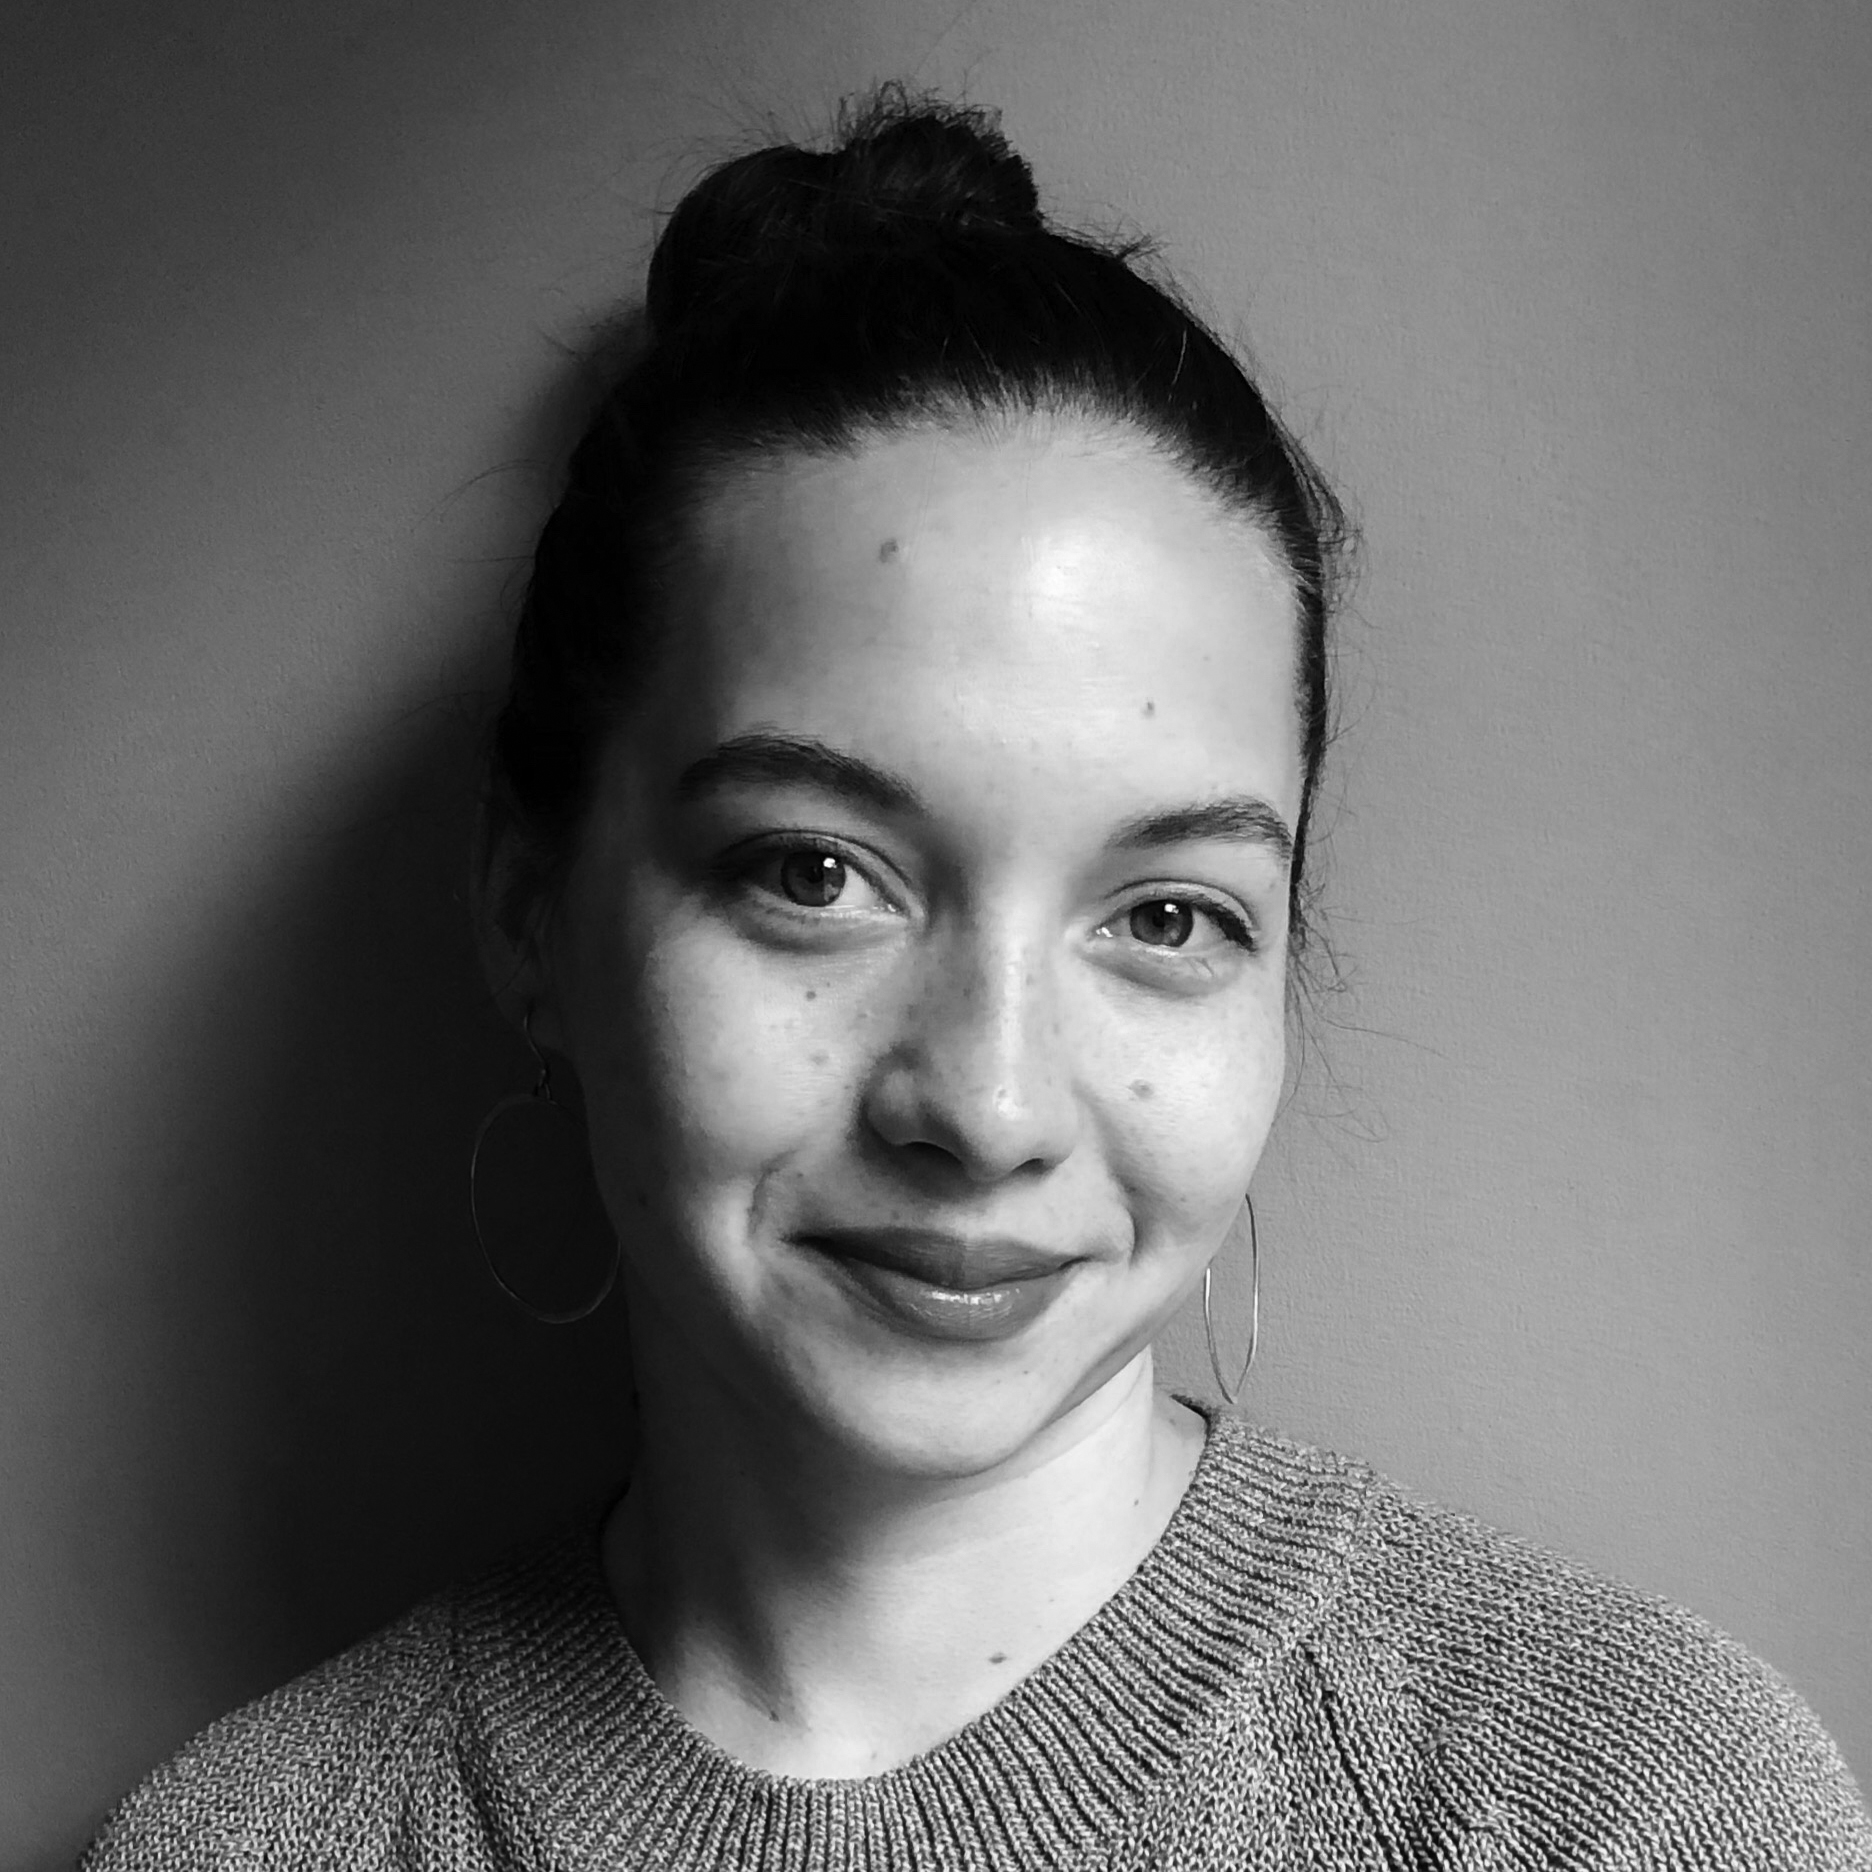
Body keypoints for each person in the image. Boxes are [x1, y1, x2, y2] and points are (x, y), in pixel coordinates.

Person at [83, 88, 1870, 1870]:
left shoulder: (1644, 1804)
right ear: (530, 911)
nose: (990, 1108)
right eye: (814, 874)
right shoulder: (242, 1845)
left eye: (1167, 916)